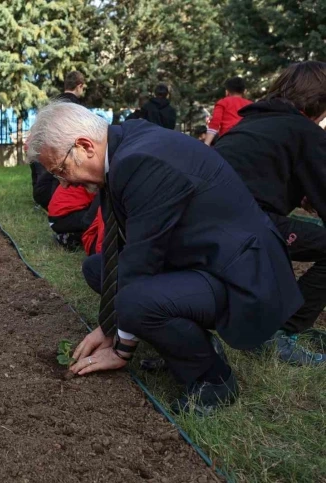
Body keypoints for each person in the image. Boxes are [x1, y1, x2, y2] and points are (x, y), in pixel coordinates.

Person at [26, 101, 302, 415]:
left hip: (243, 277)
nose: (62, 183)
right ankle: (190, 343)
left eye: (60, 170)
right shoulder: (124, 144)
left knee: (134, 301)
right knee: (98, 269)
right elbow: (126, 252)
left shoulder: (138, 162)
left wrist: (119, 344)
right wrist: (108, 324)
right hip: (205, 259)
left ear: (85, 146)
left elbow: (141, 263)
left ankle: (214, 381)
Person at [215, 61, 326, 366]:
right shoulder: (304, 130)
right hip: (245, 225)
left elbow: (257, 172)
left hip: (206, 222)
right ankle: (282, 332)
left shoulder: (250, 122)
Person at [48, 185, 100, 253]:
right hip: (62, 216)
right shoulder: (95, 178)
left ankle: (71, 236)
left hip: (57, 216)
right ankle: (71, 238)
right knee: (97, 219)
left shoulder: (84, 175)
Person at [203, 77, 252, 146]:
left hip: (228, 140)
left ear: (227, 91)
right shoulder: (251, 105)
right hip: (248, 140)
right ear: (244, 91)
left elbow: (215, 123)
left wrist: (206, 144)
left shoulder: (222, 103)